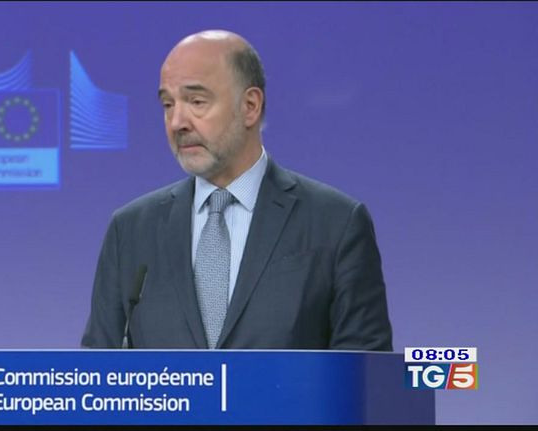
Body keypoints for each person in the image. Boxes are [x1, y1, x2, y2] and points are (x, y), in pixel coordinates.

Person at [81, 30, 392, 351]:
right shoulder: (130, 230)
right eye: (167, 104)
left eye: (196, 102)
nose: (176, 123)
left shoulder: (336, 223)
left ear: (250, 106)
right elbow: (97, 370)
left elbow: (366, 369)